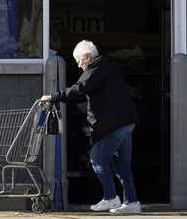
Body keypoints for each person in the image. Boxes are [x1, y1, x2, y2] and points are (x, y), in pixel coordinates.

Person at [41, 40, 140, 214]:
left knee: (97, 158)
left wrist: (54, 97)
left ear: (87, 57)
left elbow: (80, 88)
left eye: (79, 61)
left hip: (115, 124)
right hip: (126, 121)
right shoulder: (107, 67)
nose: (79, 66)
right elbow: (90, 92)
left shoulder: (96, 67)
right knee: (122, 166)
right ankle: (132, 202)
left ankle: (110, 197)